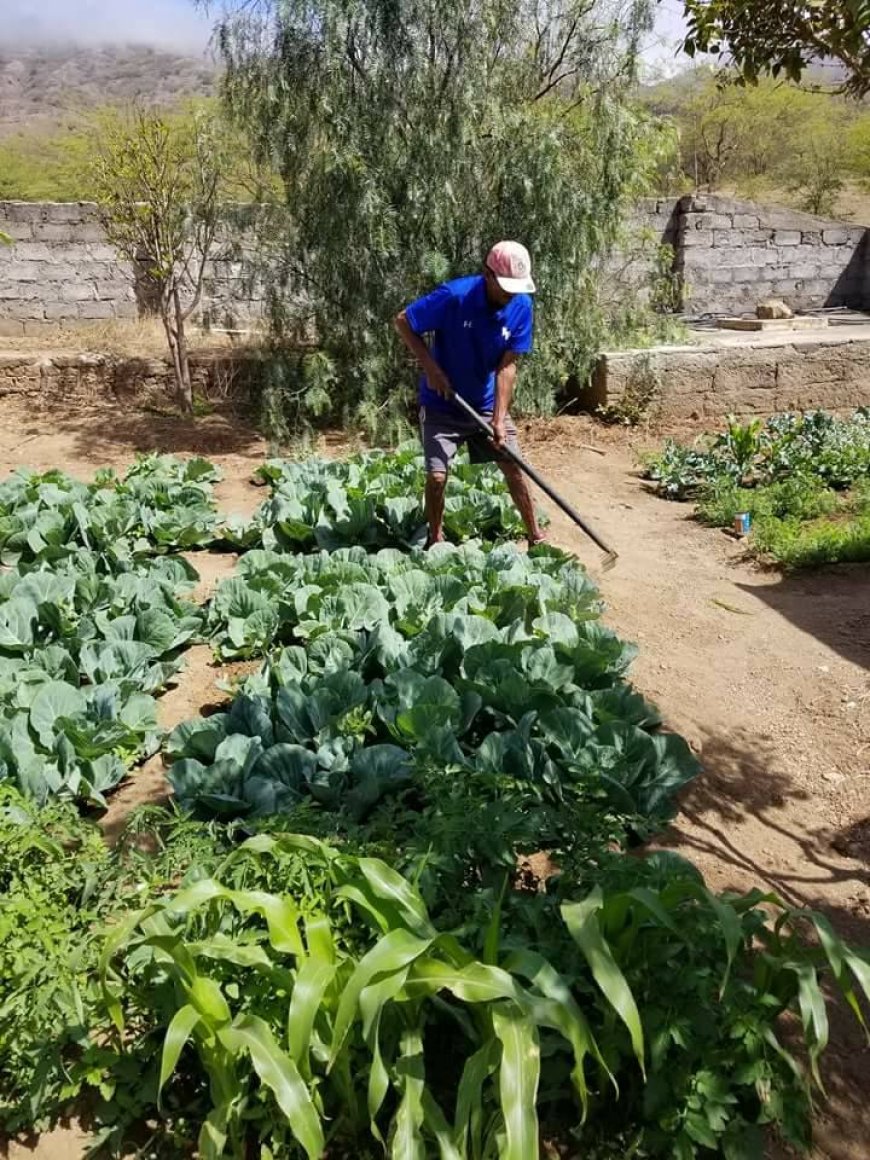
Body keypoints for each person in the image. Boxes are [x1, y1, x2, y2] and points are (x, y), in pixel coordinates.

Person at [394, 240, 545, 547]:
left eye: (515, 289)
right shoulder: (454, 296)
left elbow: (507, 367)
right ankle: (435, 539)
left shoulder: (521, 306)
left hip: (486, 405)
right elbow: (404, 321)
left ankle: (536, 537)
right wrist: (431, 369)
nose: (510, 295)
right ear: (487, 275)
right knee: (437, 478)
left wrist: (499, 419)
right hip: (443, 404)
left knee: (514, 467)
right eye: (505, 287)